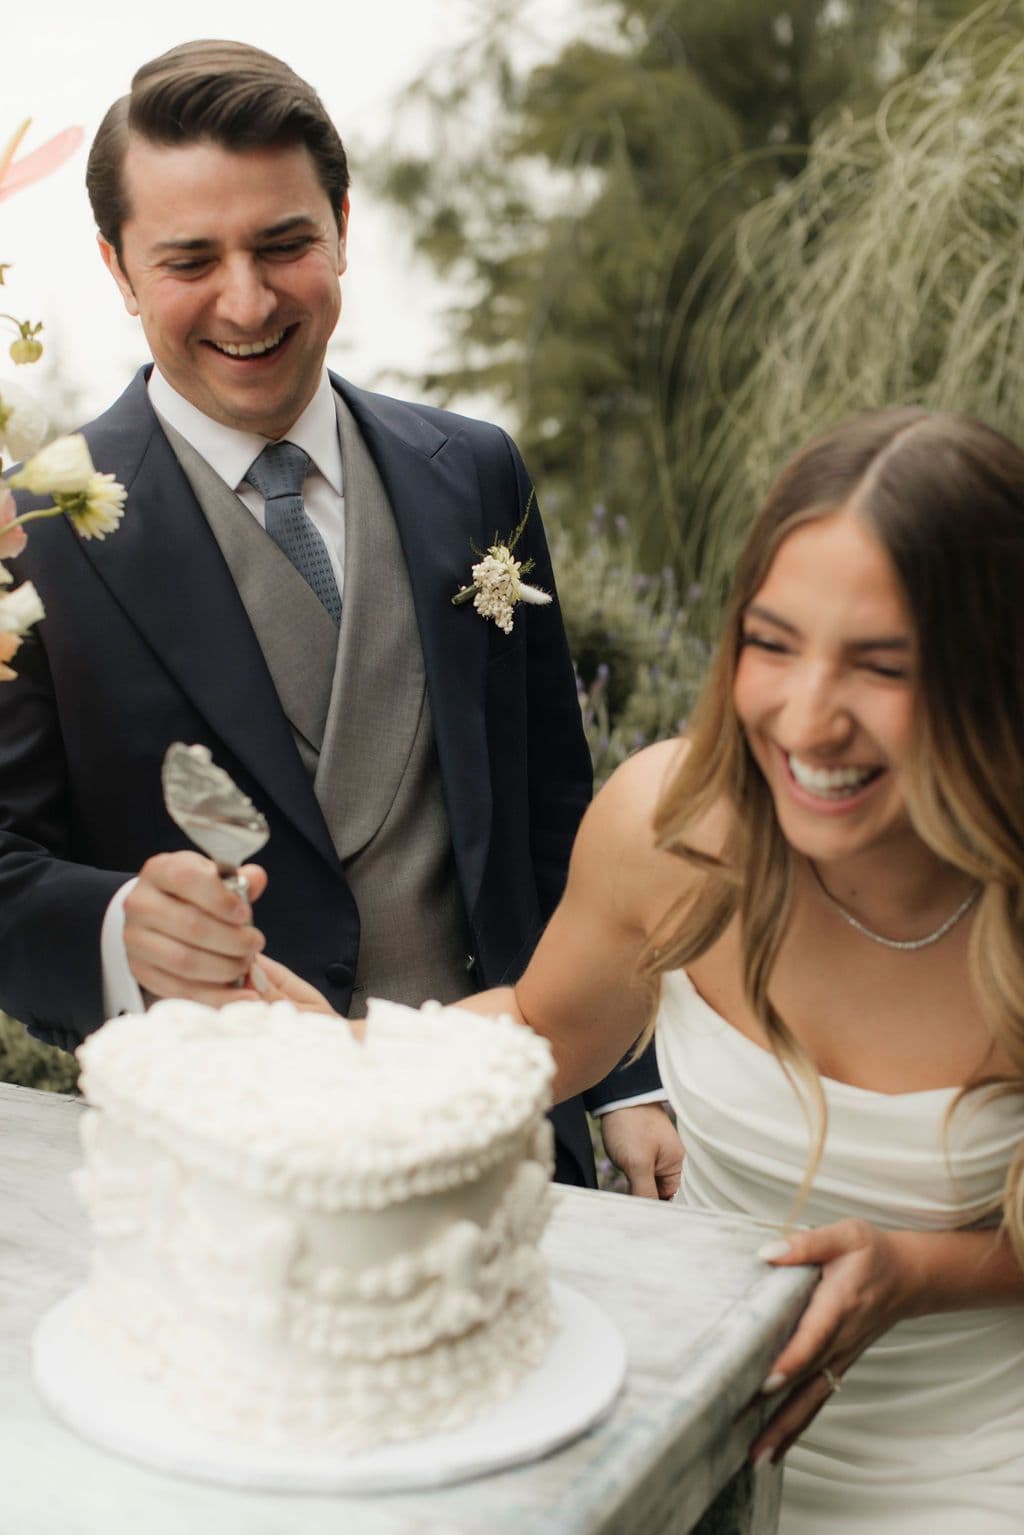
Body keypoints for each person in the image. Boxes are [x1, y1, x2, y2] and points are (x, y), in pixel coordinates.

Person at [266, 406, 1024, 1529]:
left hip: (979, 1462)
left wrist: (915, 1269)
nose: (807, 718)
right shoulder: (671, 828)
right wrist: (339, 1051)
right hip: (686, 1432)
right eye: (772, 643)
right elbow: (537, 1026)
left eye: (883, 665)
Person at [0, 39, 682, 1193]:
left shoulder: (474, 471)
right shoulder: (31, 530)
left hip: (508, 1122)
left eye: (283, 244)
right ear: (118, 269)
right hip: (217, 1166)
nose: (248, 301)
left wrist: (621, 1074)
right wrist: (121, 927)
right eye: (189, 260)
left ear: (344, 227)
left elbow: (553, 805)